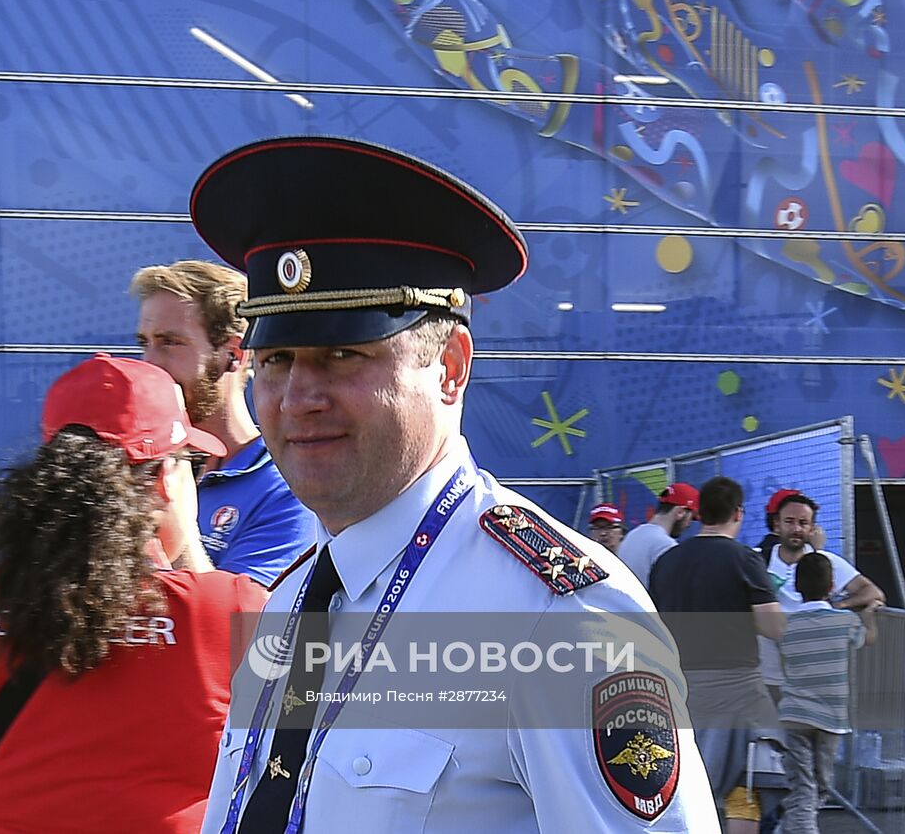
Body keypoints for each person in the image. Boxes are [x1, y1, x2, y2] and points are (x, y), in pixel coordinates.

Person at [192, 136, 719, 832]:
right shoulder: (291, 600)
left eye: (343, 353)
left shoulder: (560, 618)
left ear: (450, 366)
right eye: (278, 358)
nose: (296, 397)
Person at [0, 354, 268, 833]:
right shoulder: (234, 606)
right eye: (191, 465)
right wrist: (189, 552)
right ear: (165, 478)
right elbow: (362, 722)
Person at [131, 259, 316, 585]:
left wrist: (179, 531)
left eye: (169, 342)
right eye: (144, 343)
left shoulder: (288, 487)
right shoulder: (131, 468)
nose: (150, 364)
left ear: (233, 353)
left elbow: (245, 631)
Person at [649, 476, 784, 834]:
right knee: (746, 785)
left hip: (679, 691)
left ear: (698, 514)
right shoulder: (745, 559)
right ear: (738, 513)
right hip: (738, 691)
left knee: (683, 789)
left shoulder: (667, 561)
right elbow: (773, 627)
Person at [777, 553, 881, 834]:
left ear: (797, 587)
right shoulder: (845, 621)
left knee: (804, 785)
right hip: (832, 717)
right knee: (819, 783)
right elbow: (868, 639)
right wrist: (869, 616)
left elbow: (786, 662)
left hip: (795, 714)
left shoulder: (786, 625)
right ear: (832, 586)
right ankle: (802, 824)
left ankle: (793, 823)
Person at [758, 491, 885, 702]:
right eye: (789, 521)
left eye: (803, 522)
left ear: (812, 528)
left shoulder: (827, 561)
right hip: (767, 676)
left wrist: (838, 605)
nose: (797, 528)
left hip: (813, 681)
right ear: (777, 524)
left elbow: (873, 592)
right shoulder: (756, 560)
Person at [618, 483, 699, 592]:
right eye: (691, 518)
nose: (688, 525)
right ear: (680, 512)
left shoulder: (632, 535)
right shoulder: (665, 545)